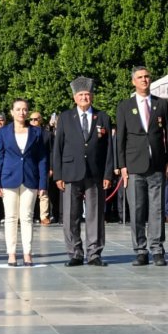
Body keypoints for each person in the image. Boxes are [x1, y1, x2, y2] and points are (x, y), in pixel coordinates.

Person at [115, 66, 168, 267]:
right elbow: (120, 139)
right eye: (140, 77)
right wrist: (121, 165)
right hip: (134, 165)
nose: (144, 80)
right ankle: (140, 250)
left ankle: (157, 249)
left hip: (157, 164)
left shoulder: (161, 104)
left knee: (157, 209)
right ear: (133, 81)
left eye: (147, 76)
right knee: (138, 209)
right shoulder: (125, 106)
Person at [53, 76, 114, 267]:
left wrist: (108, 174)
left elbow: (109, 149)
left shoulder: (102, 117)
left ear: (92, 96)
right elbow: (58, 147)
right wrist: (58, 174)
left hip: (95, 172)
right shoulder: (65, 117)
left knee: (95, 214)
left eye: (87, 94)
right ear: (74, 98)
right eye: (81, 95)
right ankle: (75, 253)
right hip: (71, 171)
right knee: (71, 214)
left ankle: (94, 253)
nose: (84, 98)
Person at [0, 98, 48, 266]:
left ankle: (27, 253)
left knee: (27, 217)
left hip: (30, 179)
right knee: (10, 217)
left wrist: (43, 184)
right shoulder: (3, 132)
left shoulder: (37, 132)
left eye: (24, 109)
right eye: (18, 109)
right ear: (12, 112)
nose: (21, 112)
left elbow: (42, 159)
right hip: (9, 178)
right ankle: (11, 253)